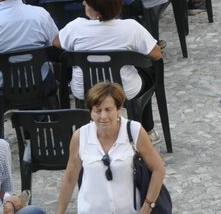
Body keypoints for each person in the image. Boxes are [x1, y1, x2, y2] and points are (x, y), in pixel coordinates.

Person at [54, 80, 166, 214]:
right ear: (90, 112)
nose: (103, 116)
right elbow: (70, 178)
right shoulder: (80, 136)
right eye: (97, 111)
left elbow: (158, 169)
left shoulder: (134, 131)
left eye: (108, 110)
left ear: (119, 109)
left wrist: (147, 207)